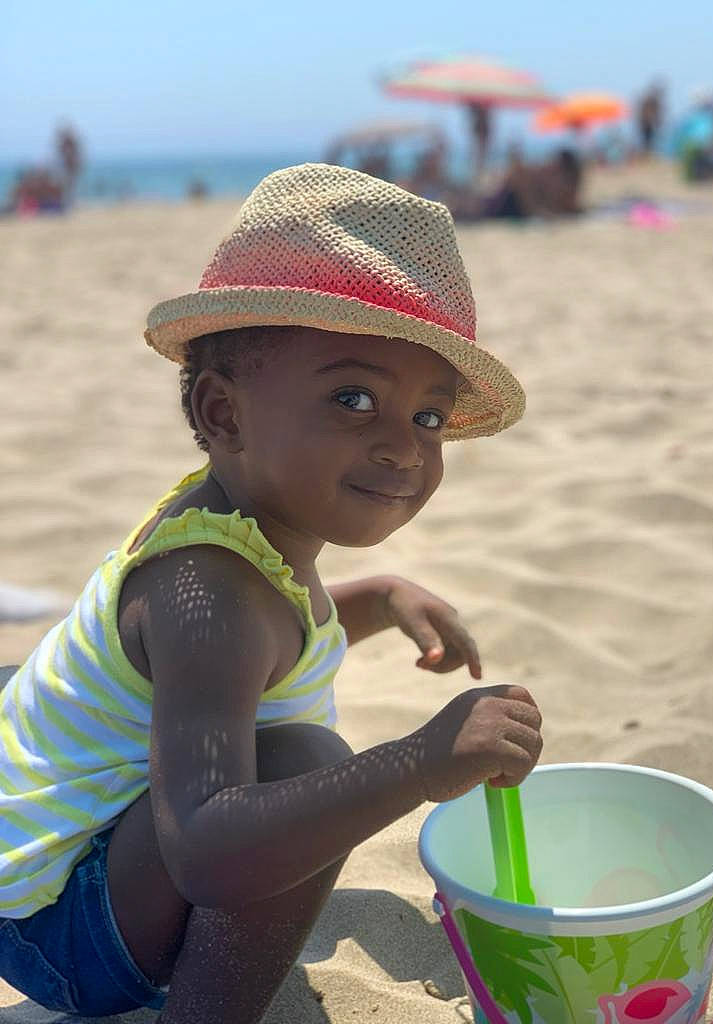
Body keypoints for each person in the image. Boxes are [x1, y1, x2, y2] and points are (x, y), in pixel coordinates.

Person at [0, 164, 542, 1024]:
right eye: (354, 398)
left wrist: (379, 599)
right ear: (225, 415)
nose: (405, 448)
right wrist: (422, 761)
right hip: (59, 936)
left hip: (65, 866)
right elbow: (208, 856)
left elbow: (275, 636)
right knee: (307, 761)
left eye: (429, 418)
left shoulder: (244, 523)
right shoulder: (207, 594)